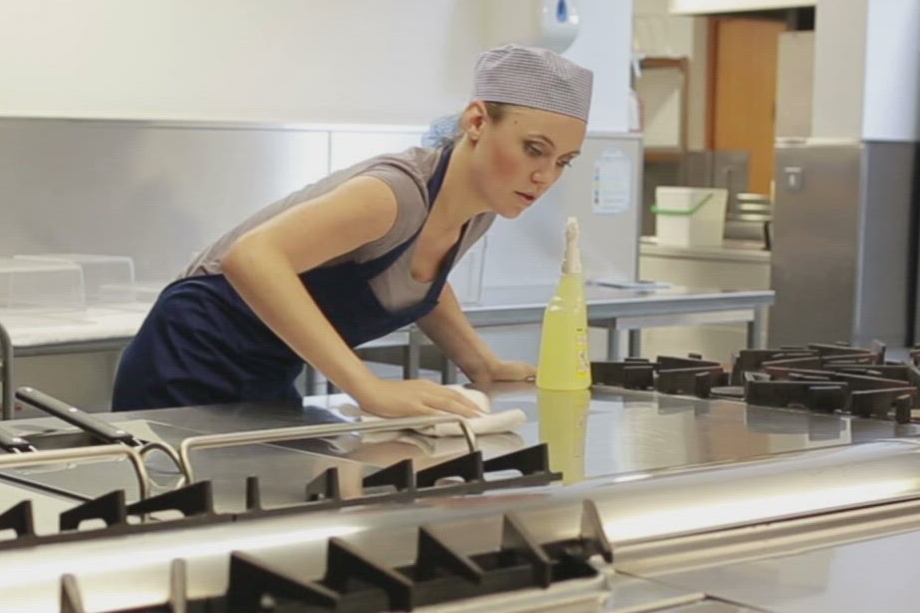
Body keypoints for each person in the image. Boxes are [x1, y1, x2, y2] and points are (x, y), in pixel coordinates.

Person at [111, 45, 592, 417]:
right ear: (477, 121)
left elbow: (422, 279)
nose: (544, 176)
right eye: (534, 149)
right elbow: (251, 257)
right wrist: (369, 389)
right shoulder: (394, 194)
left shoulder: (481, 206)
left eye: (563, 161)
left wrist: (482, 365)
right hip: (185, 366)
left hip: (264, 375)